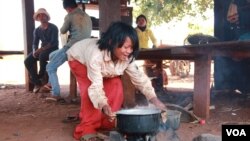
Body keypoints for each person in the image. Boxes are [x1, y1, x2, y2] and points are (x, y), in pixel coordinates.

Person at [66, 21, 166, 141]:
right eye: (125, 47)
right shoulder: (96, 56)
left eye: (131, 47)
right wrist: (103, 104)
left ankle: (107, 120)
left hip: (104, 68)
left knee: (116, 84)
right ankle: (86, 128)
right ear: (111, 42)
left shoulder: (126, 57)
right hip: (79, 60)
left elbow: (140, 79)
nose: (129, 51)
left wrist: (155, 100)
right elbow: (96, 87)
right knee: (89, 90)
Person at [45, 0, 92, 102]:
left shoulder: (70, 16)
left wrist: (68, 22)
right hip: (85, 48)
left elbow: (62, 30)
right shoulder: (87, 16)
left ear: (68, 8)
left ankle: (55, 93)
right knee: (51, 55)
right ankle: (50, 83)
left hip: (72, 48)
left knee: (50, 67)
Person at [24, 8, 59, 93]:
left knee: (42, 56)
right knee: (27, 61)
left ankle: (41, 76)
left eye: (43, 15)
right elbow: (35, 43)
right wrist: (34, 50)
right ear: (38, 18)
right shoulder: (37, 30)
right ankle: (37, 82)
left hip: (53, 49)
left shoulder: (53, 27)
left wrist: (41, 49)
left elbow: (53, 42)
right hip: (42, 50)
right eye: (39, 15)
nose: (41, 17)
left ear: (47, 16)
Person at [135, 14, 168, 92]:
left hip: (146, 50)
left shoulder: (149, 30)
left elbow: (154, 40)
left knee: (158, 60)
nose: (141, 21)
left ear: (146, 22)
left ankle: (158, 81)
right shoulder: (134, 30)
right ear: (137, 22)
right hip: (137, 50)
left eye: (143, 20)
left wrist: (155, 45)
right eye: (139, 20)